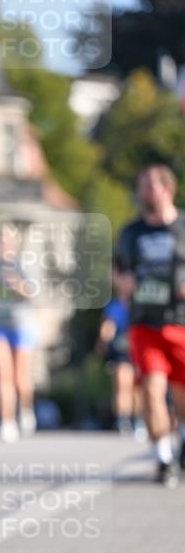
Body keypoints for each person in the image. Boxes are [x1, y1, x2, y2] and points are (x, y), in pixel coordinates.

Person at [114, 164, 185, 487]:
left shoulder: (183, 227)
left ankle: (180, 439)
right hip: (144, 324)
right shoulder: (131, 233)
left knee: (182, 400)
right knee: (152, 389)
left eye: (150, 186)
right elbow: (116, 270)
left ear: (168, 189)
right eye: (141, 186)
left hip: (181, 322)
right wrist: (123, 281)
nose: (144, 192)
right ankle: (163, 457)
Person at [0, 222, 39, 442]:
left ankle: (26, 407)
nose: (3, 244)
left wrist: (18, 285)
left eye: (7, 239)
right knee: (2, 374)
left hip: (21, 324)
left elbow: (34, 295)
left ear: (14, 242)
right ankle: (6, 421)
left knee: (20, 377)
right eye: (0, 239)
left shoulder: (24, 264)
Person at [95, 293, 144, 437]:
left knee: (138, 388)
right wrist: (103, 342)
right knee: (123, 385)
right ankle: (123, 420)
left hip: (140, 349)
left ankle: (139, 419)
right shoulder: (115, 305)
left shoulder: (141, 302)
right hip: (122, 350)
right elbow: (108, 325)